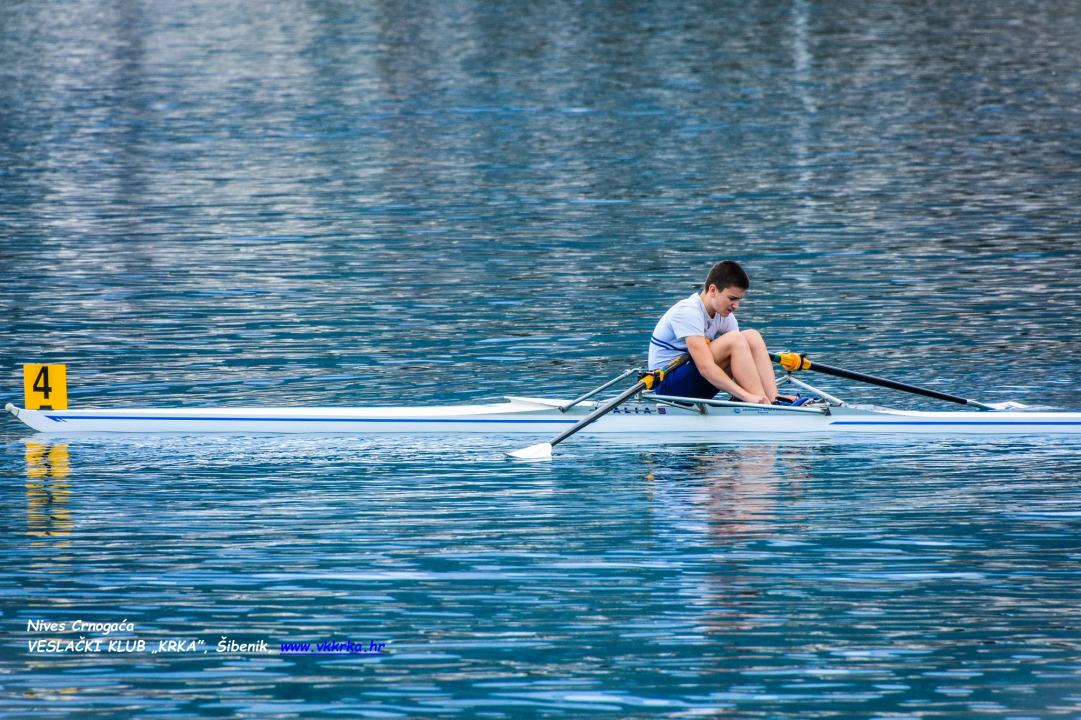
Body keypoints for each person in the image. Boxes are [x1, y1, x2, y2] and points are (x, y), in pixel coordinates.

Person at [648, 260, 789, 405]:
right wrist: (747, 396)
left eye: (739, 300)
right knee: (735, 340)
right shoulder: (688, 312)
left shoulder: (724, 315)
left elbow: (743, 358)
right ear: (713, 290)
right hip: (668, 387)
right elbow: (705, 368)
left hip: (691, 380)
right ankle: (762, 405)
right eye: (732, 299)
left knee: (751, 337)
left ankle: (773, 399)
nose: (736, 306)